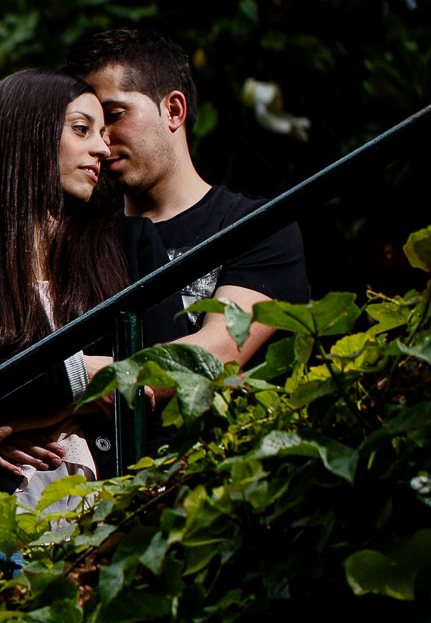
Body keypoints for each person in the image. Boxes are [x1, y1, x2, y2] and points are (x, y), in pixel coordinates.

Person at [0, 70, 187, 509]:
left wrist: (31, 410)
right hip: (1, 530)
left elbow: (173, 372)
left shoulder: (132, 245)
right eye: (82, 129)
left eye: (103, 132)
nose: (102, 147)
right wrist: (82, 376)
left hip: (124, 515)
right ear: (26, 136)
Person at [64, 26, 311, 371]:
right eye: (85, 126)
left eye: (114, 116)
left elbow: (216, 355)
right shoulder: (81, 242)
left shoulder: (257, 228)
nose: (101, 143)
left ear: (174, 110)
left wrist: (71, 388)